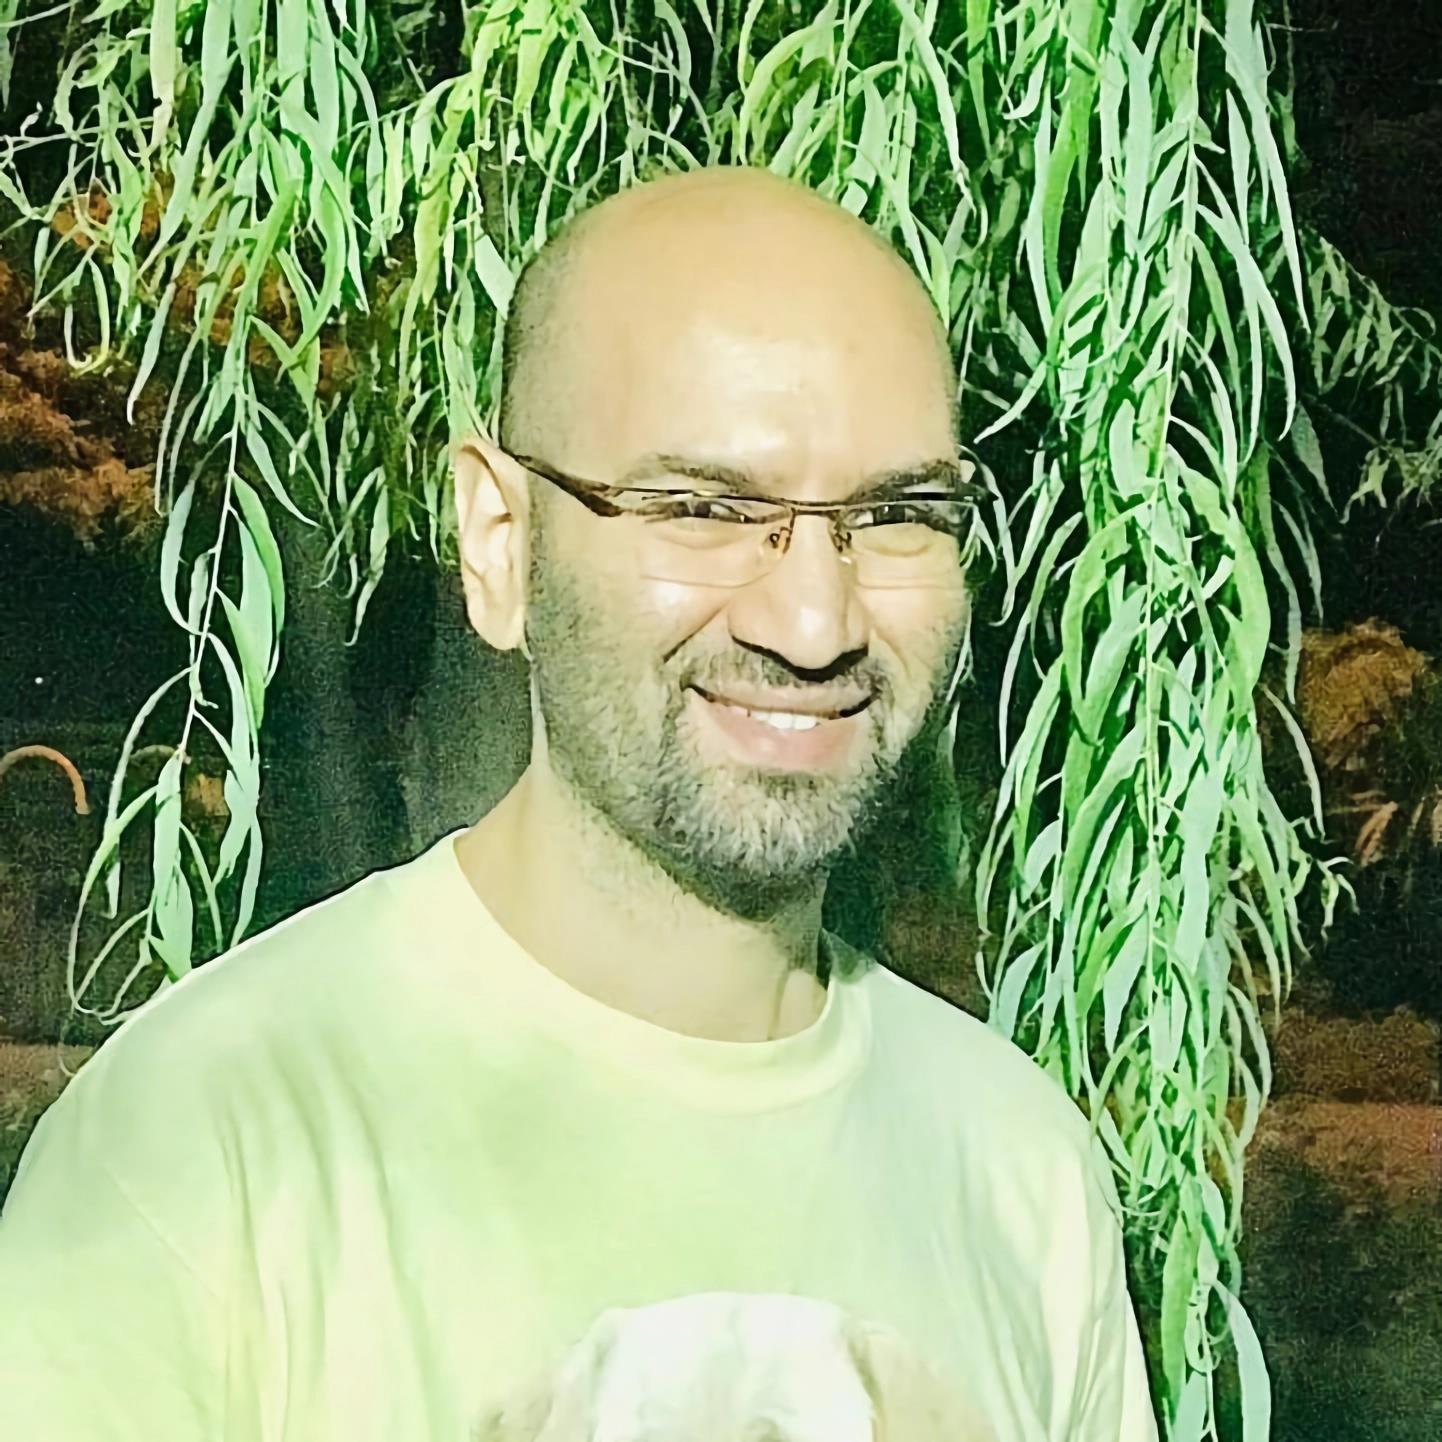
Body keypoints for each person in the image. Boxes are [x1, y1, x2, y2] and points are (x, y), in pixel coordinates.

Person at [0, 164, 1159, 1441]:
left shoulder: (1024, 1176)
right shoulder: (194, 1155)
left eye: (894, 514)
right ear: (499, 542)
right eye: (702, 507)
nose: (814, 621)